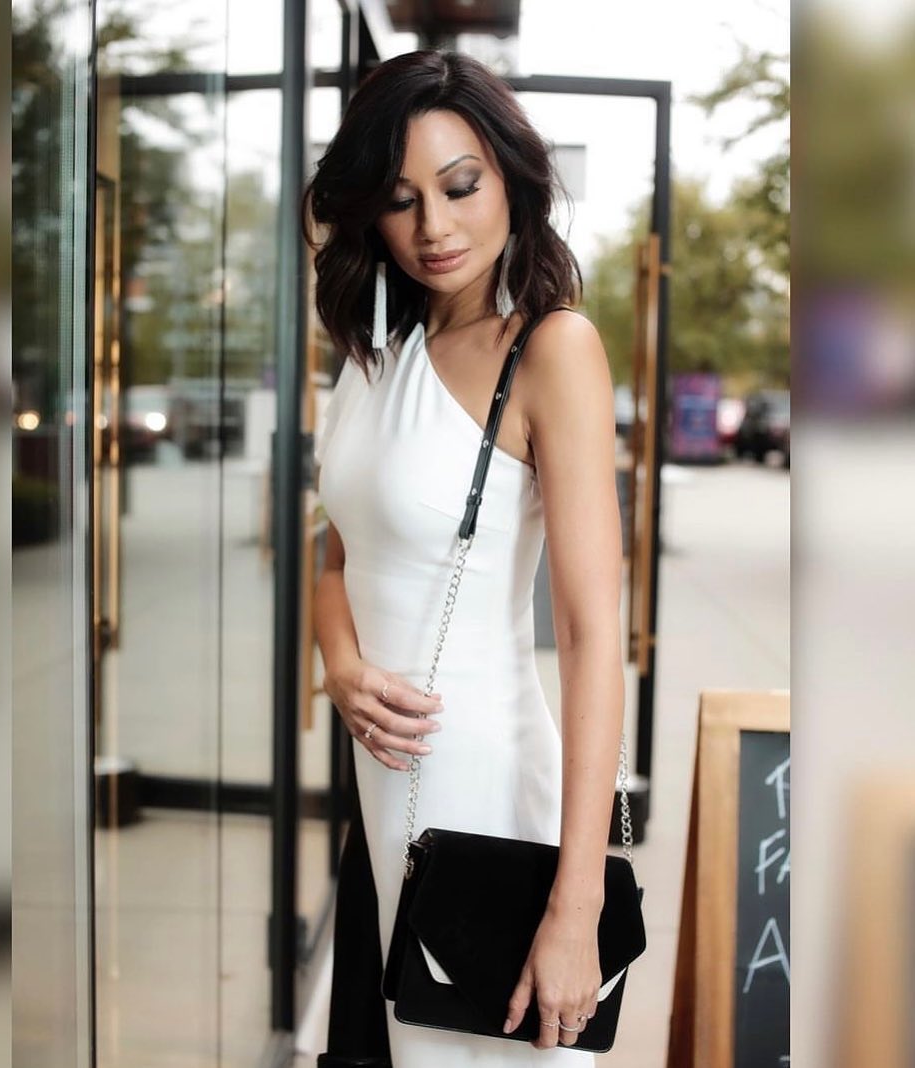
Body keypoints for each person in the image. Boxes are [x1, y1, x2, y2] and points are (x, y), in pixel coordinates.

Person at [304, 49, 625, 1066]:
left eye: (459, 187)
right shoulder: (375, 358)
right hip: (384, 791)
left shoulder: (551, 350)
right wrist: (341, 667)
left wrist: (576, 902)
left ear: (511, 182)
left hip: (485, 790)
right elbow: (334, 555)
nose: (433, 228)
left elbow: (592, 634)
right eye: (401, 201)